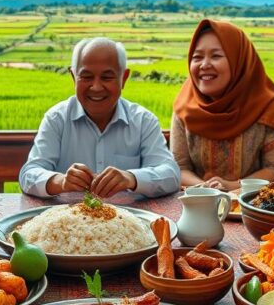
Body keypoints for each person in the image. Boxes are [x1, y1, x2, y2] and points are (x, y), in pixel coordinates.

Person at [19, 37, 180, 198]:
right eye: (87, 77)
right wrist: (60, 182)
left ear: (123, 78)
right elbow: (29, 174)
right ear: (73, 77)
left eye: (107, 77)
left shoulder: (143, 121)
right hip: (69, 220)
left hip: (127, 220)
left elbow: (171, 174)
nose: (96, 87)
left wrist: (131, 178)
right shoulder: (57, 119)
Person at [171, 19, 274, 191]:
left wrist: (233, 187)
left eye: (216, 56)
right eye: (197, 57)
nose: (204, 65)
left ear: (239, 61)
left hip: (255, 207)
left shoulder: (273, 109)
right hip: (197, 202)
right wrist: (207, 189)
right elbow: (179, 168)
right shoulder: (185, 107)